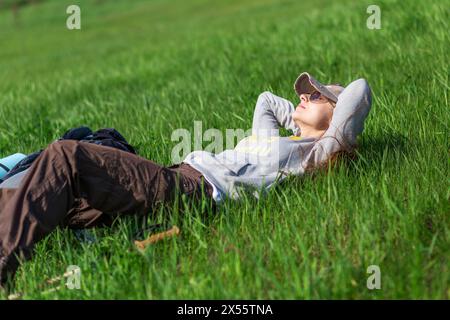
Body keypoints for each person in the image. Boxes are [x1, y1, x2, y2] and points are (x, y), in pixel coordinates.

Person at [0, 72, 372, 290]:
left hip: (194, 191)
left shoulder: (314, 156)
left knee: (68, 156)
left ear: (341, 118)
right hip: (174, 177)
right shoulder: (275, 141)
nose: (306, 95)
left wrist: (325, 122)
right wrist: (301, 116)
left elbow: (360, 89)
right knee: (38, 190)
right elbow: (265, 101)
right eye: (306, 93)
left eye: (319, 95)